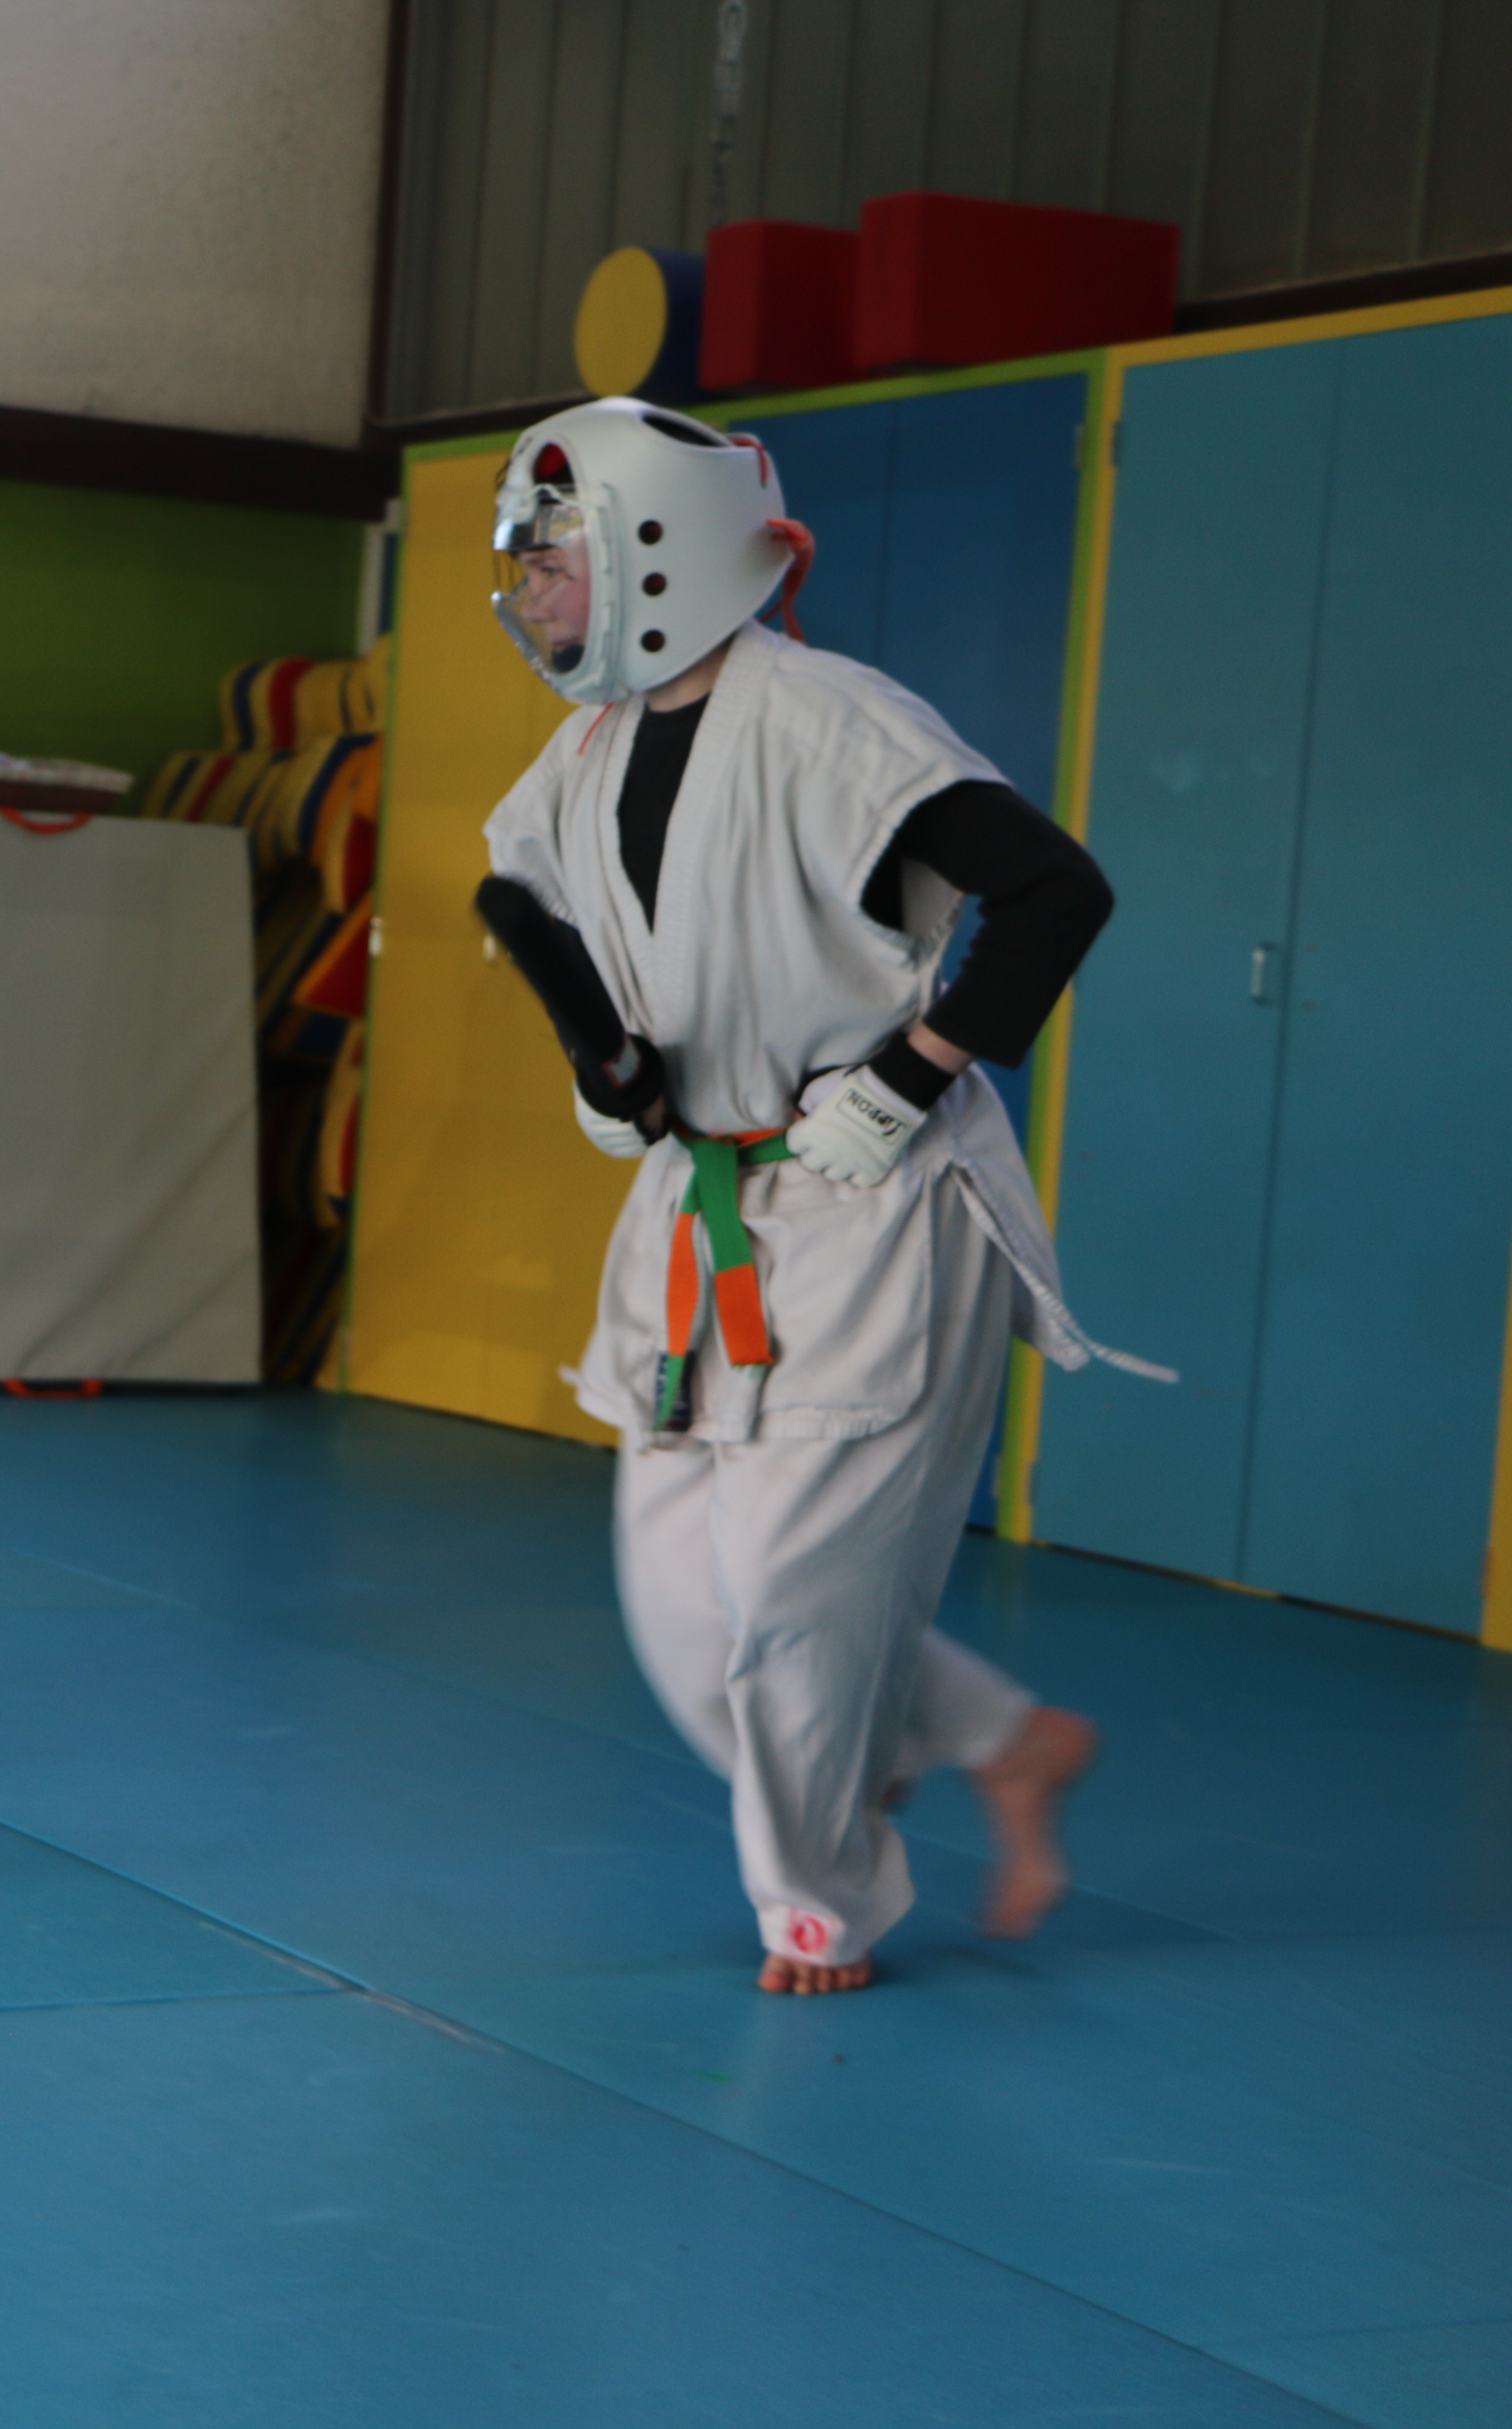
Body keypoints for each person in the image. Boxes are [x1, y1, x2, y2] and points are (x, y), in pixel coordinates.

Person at [477, 398, 1150, 1994]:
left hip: (874, 1194)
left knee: (791, 1592)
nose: (533, 591)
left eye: (556, 557)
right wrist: (613, 1079)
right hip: (702, 1200)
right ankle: (1005, 1740)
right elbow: (556, 938)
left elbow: (1055, 889)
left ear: (660, 551)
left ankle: (819, 1904)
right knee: (685, 1609)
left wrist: (910, 1073)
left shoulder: (829, 718)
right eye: (526, 562)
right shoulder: (584, 755)